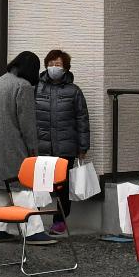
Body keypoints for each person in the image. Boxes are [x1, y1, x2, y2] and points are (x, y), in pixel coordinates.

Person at [0, 51, 47, 244]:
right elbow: (27, 124)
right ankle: (33, 231)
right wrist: (33, 149)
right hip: (15, 145)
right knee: (22, 189)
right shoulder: (23, 86)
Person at [34, 48, 92, 236]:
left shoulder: (74, 91)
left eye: (57, 64)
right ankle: (35, 220)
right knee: (41, 183)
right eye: (50, 64)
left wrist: (83, 147)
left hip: (66, 147)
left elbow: (82, 120)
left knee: (62, 185)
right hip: (42, 145)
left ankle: (60, 220)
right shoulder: (37, 88)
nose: (53, 68)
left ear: (66, 68)